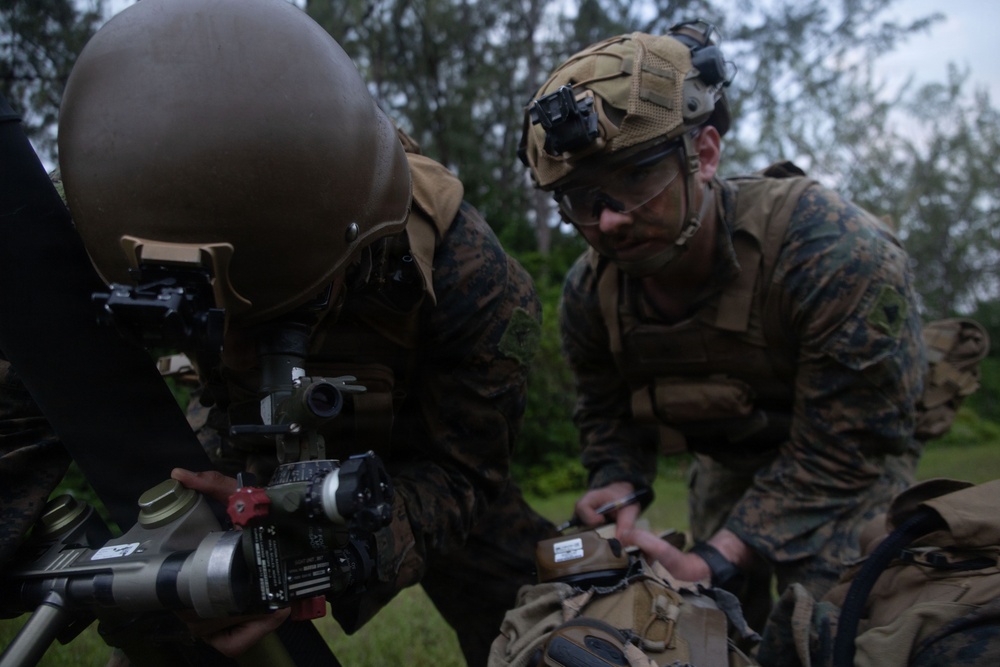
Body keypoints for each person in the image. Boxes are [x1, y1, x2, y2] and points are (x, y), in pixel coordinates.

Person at [8, 0, 557, 665]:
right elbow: (51, 358)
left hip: (420, 451)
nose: (238, 339)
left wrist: (332, 555)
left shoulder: (473, 276)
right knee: (170, 593)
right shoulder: (122, 203)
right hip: (243, 433)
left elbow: (464, 471)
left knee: (531, 609)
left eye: (273, 312)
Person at [517, 20, 926, 655]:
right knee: (719, 628)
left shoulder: (832, 252)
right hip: (729, 468)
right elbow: (605, 409)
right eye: (580, 199)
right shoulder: (587, 294)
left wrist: (719, 553)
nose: (610, 220)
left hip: (848, 471)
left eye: (633, 182)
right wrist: (619, 480)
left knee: (832, 628)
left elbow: (853, 440)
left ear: (704, 155)